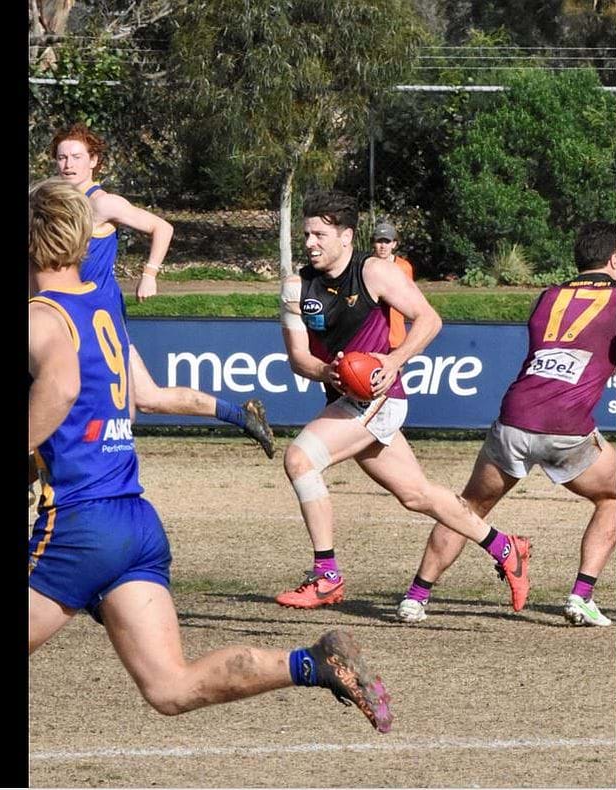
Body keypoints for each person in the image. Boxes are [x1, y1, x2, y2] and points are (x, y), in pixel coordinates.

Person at [26, 177, 392, 733]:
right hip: (134, 523)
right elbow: (144, 394)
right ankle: (311, 663)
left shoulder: (39, 315)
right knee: (171, 687)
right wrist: (229, 410)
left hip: (81, 524)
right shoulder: (100, 309)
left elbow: (62, 388)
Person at [276, 190, 530, 610]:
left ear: (346, 236)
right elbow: (299, 359)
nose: (309, 243)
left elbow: (430, 319)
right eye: (306, 234)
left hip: (380, 395)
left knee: (300, 460)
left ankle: (327, 574)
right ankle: (506, 547)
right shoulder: (295, 287)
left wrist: (393, 361)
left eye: (319, 234)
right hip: (348, 398)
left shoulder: (374, 272)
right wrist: (328, 372)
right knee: (417, 495)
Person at [396, 221, 616, 626]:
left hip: (515, 416)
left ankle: (415, 597)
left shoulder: (547, 295)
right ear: (614, 259)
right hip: (565, 425)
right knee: (615, 496)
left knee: (467, 508)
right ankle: (581, 596)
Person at [51, 123, 275, 457]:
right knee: (148, 398)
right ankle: (242, 415)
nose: (68, 164)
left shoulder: (103, 203)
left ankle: (74, 470)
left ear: (94, 160)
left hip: (98, 315)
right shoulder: (54, 203)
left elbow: (162, 227)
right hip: (72, 313)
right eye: (61, 157)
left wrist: (150, 274)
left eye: (76, 157)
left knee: (107, 403)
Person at [369, 222, 416, 350]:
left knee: (398, 370)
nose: (383, 246)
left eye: (387, 242)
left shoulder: (404, 267)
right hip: (372, 336)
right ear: (373, 243)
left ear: (394, 244)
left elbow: (411, 301)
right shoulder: (365, 265)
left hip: (396, 336)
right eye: (379, 241)